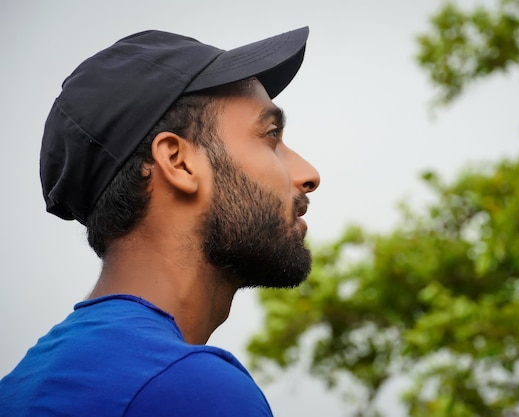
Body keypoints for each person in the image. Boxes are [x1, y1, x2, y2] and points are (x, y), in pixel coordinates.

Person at [0, 27, 320, 416]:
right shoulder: (190, 389)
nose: (308, 174)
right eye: (270, 136)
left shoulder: (19, 389)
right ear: (178, 162)